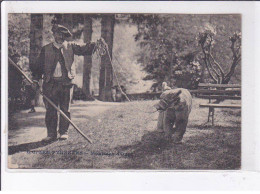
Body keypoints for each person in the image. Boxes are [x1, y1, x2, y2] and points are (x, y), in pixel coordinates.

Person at [31, 24, 100, 142]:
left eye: (63, 35)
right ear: (54, 34)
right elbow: (38, 67)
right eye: (58, 34)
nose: (60, 36)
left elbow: (84, 49)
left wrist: (96, 45)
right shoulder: (46, 49)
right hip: (50, 84)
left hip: (66, 84)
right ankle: (51, 134)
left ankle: (63, 132)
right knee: (51, 110)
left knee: (65, 109)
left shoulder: (71, 47)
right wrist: (36, 80)